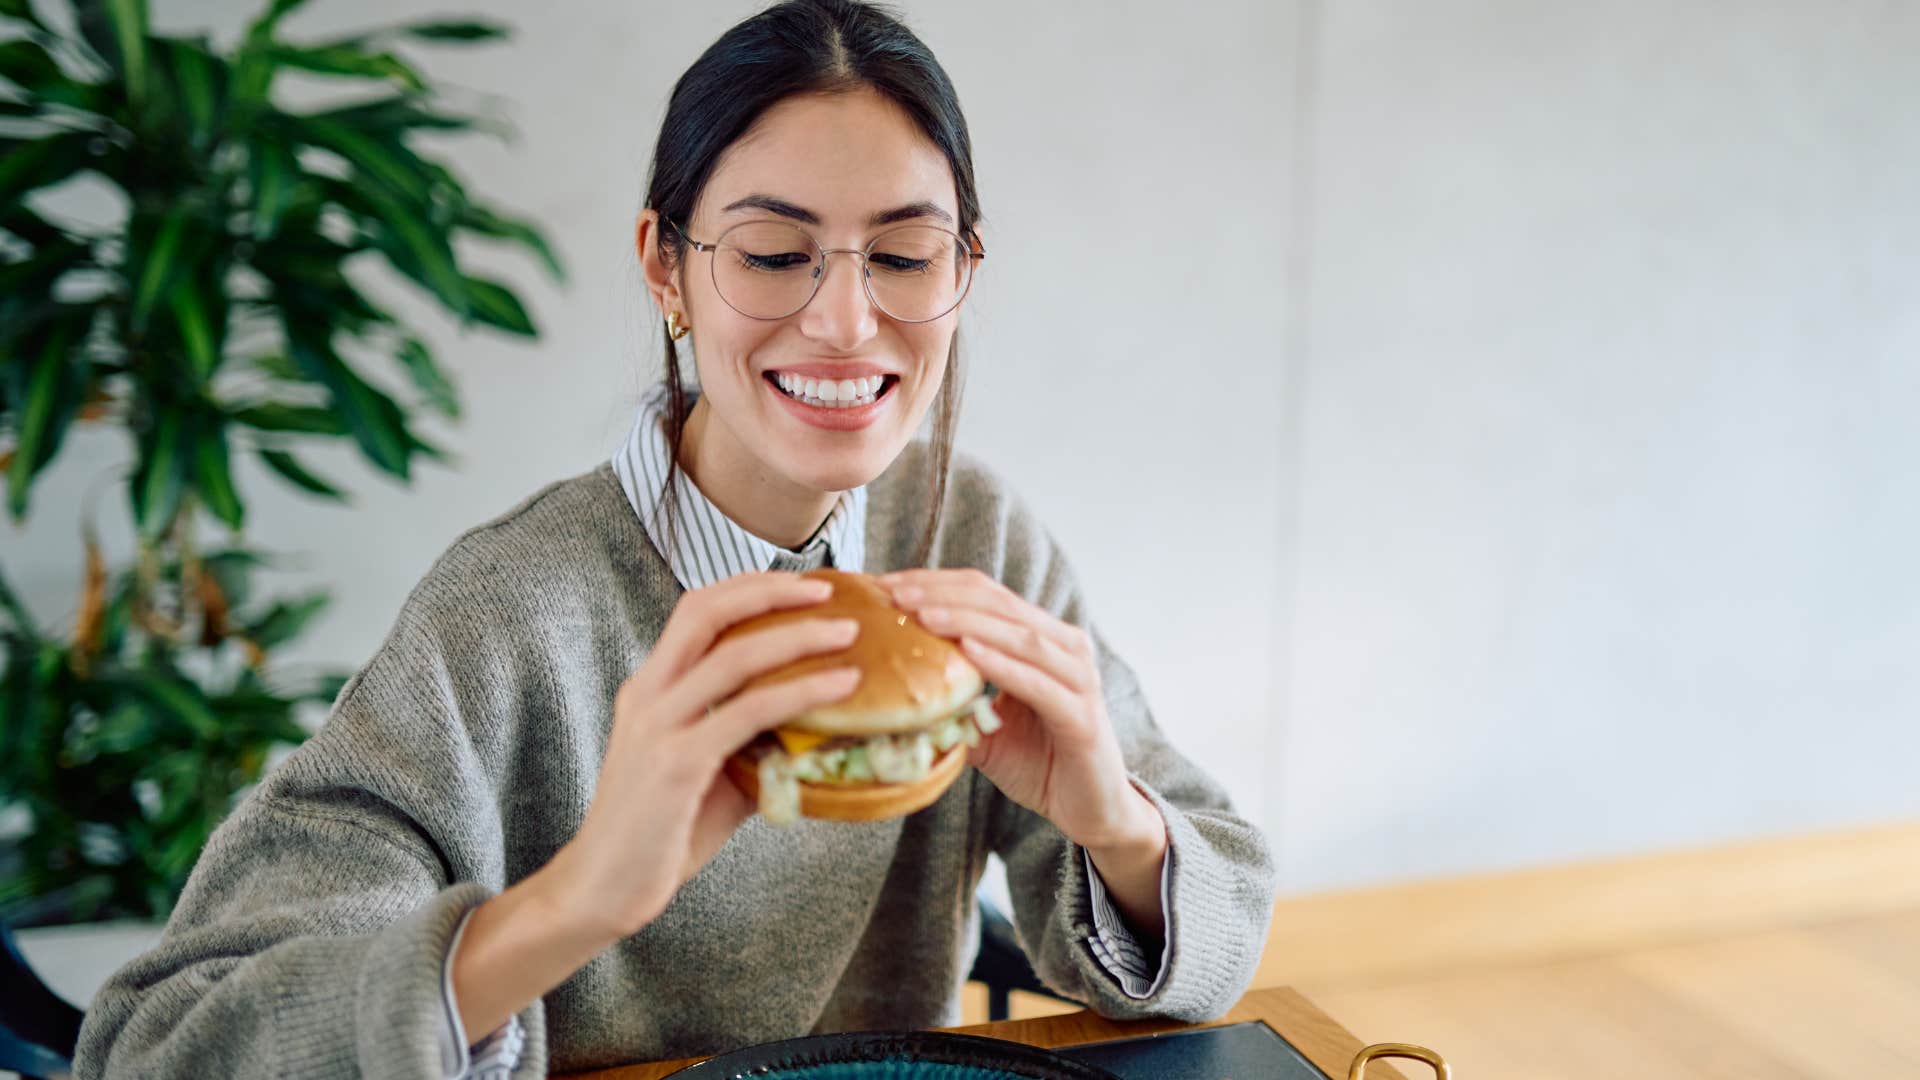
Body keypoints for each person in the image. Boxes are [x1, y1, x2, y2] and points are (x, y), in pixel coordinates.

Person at [72, 1, 1276, 1076]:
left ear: (963, 269)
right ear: (665, 266)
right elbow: (155, 1047)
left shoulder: (971, 539)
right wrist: (580, 900)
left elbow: (1223, 919)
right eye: (771, 254)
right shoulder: (510, 613)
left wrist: (1113, 820)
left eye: (906, 256)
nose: (847, 321)